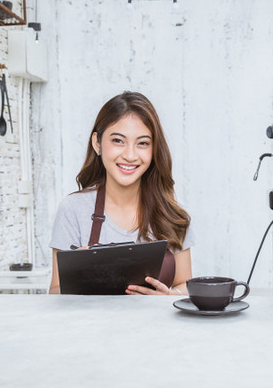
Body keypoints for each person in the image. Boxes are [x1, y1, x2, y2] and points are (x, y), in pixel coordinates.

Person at [49, 91, 194, 295]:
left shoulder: (172, 213)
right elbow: (55, 292)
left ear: (154, 150)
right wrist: (77, 273)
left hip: (159, 326)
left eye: (143, 143)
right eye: (118, 140)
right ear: (97, 143)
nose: (130, 155)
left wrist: (170, 296)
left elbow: (184, 284)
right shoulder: (73, 209)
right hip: (92, 327)